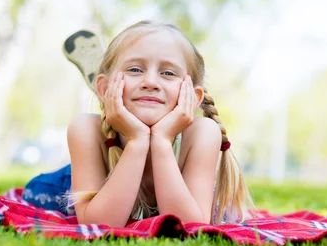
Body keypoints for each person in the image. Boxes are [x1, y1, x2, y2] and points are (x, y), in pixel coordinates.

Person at [22, 21, 254, 226]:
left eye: (168, 73)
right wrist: (137, 140)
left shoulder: (202, 133)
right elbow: (100, 224)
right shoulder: (86, 130)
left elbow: (190, 226)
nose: (151, 82)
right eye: (135, 69)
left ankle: (115, 81)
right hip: (70, 189)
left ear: (193, 97)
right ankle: (112, 90)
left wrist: (162, 141)